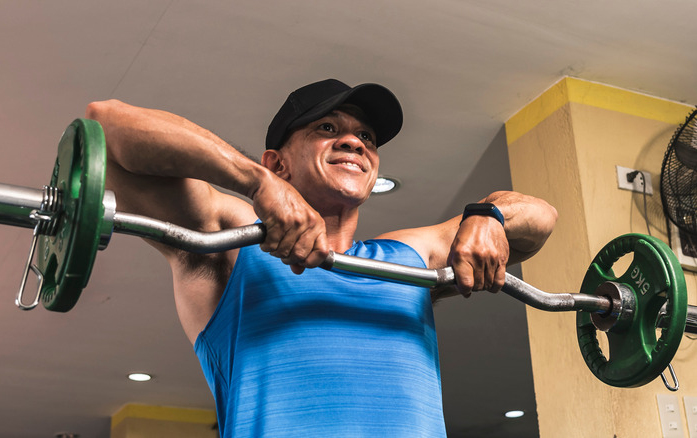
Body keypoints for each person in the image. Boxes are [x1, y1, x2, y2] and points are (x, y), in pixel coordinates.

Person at [85, 79, 558, 437]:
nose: (354, 142)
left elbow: (541, 219)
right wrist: (255, 183)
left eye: (366, 137)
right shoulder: (232, 239)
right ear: (279, 162)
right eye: (327, 128)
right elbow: (104, 127)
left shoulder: (409, 257)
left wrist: (490, 215)